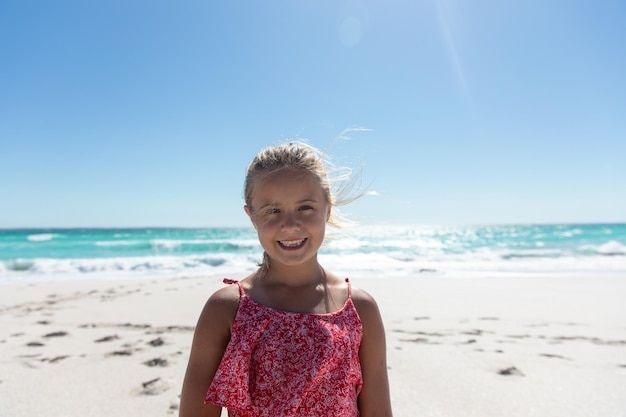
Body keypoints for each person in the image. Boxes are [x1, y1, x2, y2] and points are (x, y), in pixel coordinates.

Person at [179, 142, 393, 417]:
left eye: (305, 207)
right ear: (252, 216)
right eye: (272, 210)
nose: (290, 224)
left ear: (327, 209)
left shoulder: (360, 310)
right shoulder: (227, 309)